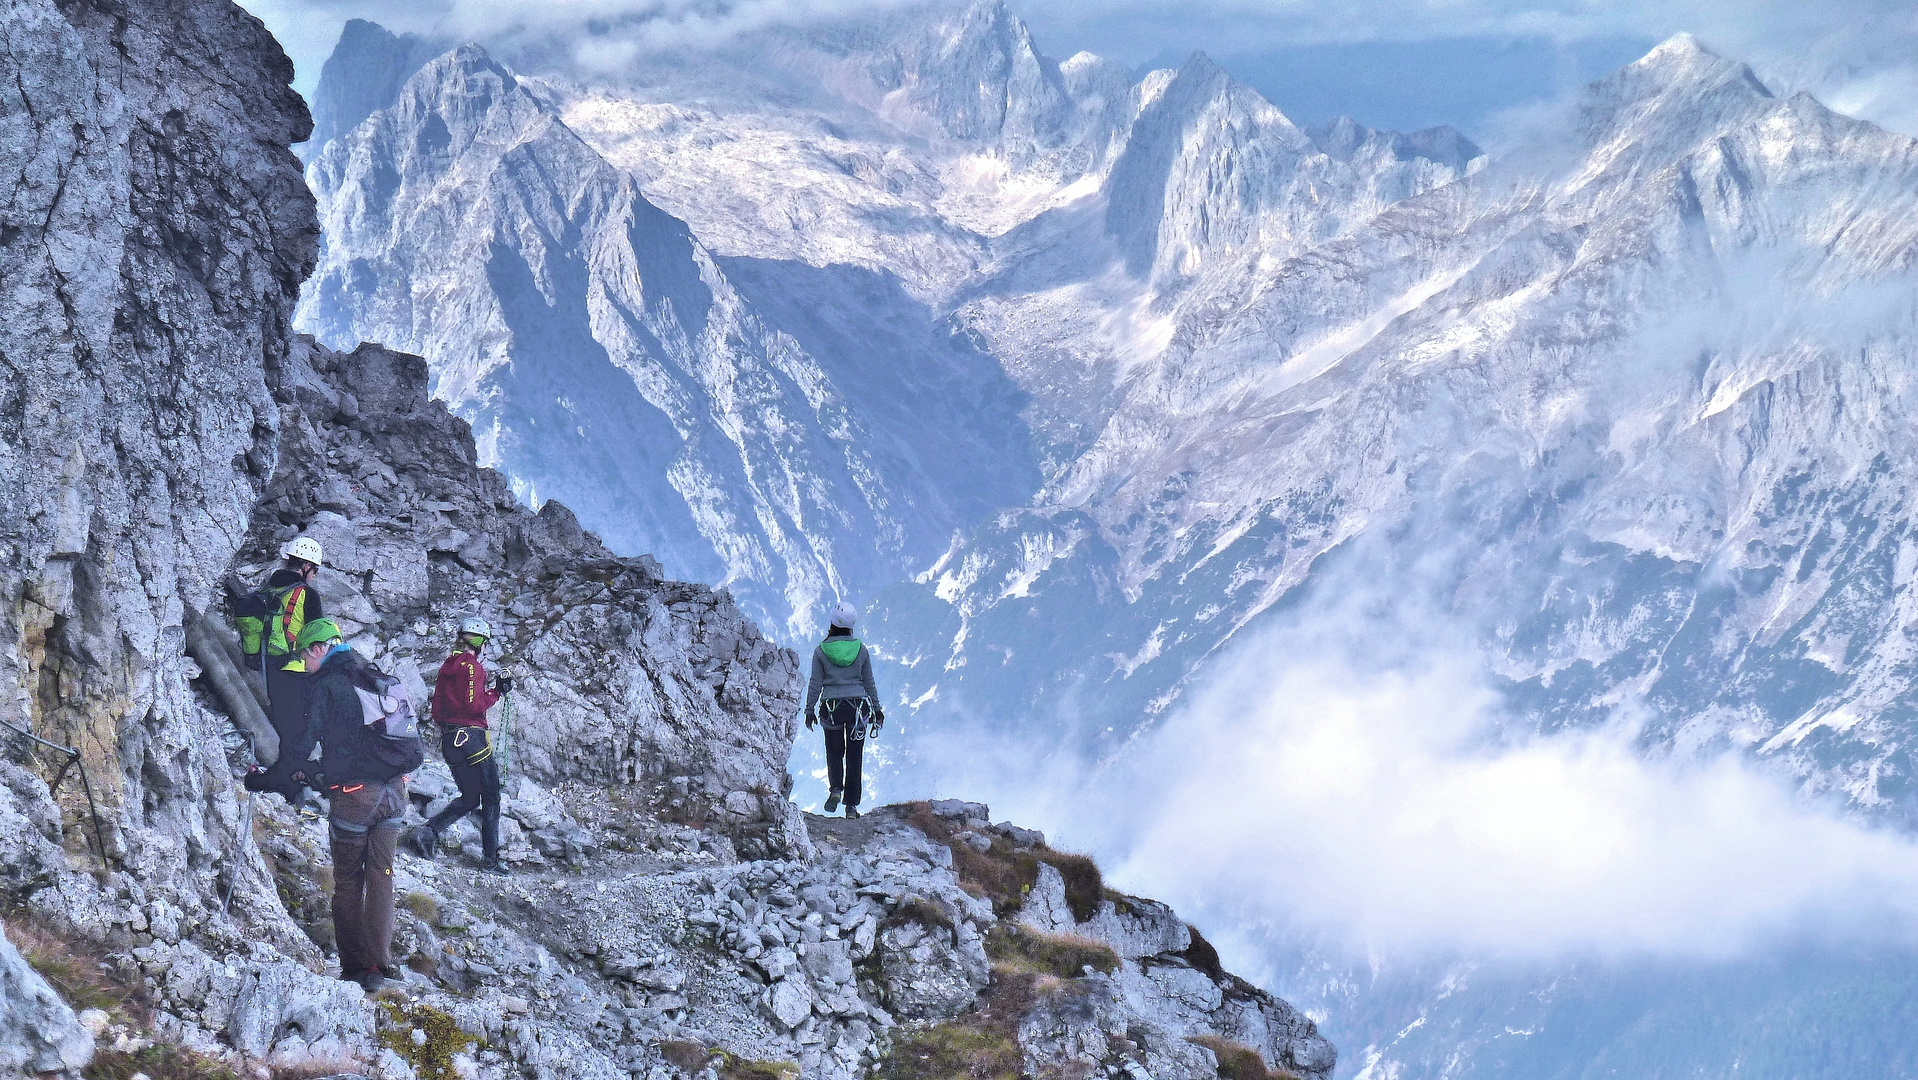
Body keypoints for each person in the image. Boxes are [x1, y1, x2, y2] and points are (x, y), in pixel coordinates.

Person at [283, 617, 409, 993]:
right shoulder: (374, 677)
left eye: (305, 655)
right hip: (395, 796)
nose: (304, 664)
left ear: (318, 648)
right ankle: (379, 965)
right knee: (382, 878)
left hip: (356, 797)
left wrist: (290, 769)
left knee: (349, 881)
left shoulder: (328, 684)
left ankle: (356, 968)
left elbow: (305, 744)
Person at [407, 616, 511, 873]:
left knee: (469, 798)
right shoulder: (473, 666)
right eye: (485, 642)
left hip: (450, 741)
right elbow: (474, 705)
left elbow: (441, 707)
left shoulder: (448, 665)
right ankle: (490, 861)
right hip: (472, 740)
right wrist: (497, 691)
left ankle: (428, 831)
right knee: (491, 797)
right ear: (479, 642)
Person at [243, 537, 326, 804]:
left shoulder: (268, 588)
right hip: (298, 670)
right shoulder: (306, 595)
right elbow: (318, 636)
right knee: (299, 731)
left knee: (285, 725)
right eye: (314, 569)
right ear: (305, 566)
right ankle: (285, 784)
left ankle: (285, 780)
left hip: (271, 670)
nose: (314, 576)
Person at [804, 601, 883, 819]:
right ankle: (851, 807)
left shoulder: (821, 651)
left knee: (834, 751)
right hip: (857, 709)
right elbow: (869, 682)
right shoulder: (862, 650)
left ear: (832, 622)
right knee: (855, 756)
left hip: (832, 709)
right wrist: (877, 710)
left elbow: (815, 683)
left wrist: (809, 710)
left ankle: (836, 789)